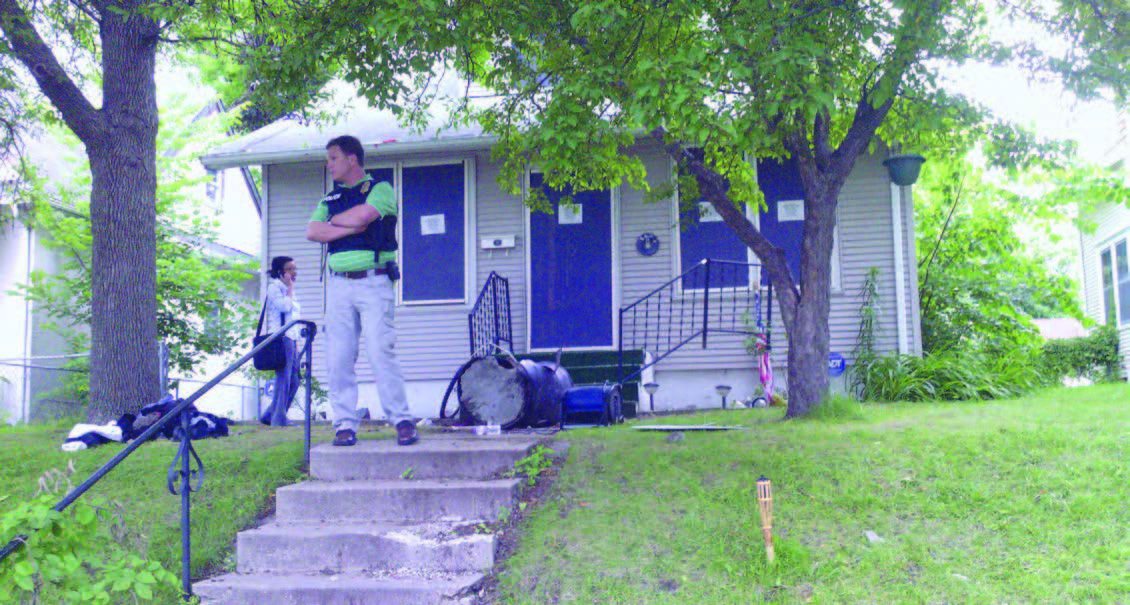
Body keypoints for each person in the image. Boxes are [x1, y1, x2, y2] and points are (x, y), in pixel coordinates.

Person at [305, 135, 417, 447]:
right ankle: (344, 424)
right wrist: (350, 226)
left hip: (374, 281)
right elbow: (313, 231)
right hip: (338, 285)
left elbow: (365, 216)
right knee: (339, 356)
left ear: (352, 159)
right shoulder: (329, 199)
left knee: (381, 350)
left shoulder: (379, 189)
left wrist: (338, 224)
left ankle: (402, 420)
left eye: (333, 158)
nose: (329, 165)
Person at [259, 256, 302, 426]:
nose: (294, 272)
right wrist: (290, 288)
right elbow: (284, 307)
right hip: (282, 336)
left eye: (294, 268)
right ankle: (279, 418)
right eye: (290, 269)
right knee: (284, 378)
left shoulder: (287, 289)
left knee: (294, 380)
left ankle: (270, 415)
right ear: (280, 272)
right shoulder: (275, 288)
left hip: (292, 337)